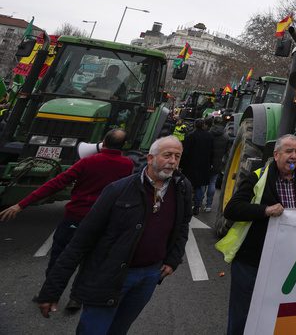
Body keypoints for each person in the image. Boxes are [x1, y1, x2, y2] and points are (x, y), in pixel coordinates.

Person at [34, 136, 191, 334]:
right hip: (110, 276)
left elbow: (183, 224)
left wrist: (173, 259)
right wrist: (52, 291)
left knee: (119, 330)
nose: (173, 161)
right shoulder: (118, 190)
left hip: (149, 276)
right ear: (150, 158)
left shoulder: (182, 189)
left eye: (177, 156)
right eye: (167, 155)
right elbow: (81, 241)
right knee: (94, 330)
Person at [1, 128, 134, 311]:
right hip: (103, 221)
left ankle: (48, 294)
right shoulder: (126, 165)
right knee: (89, 261)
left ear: (103, 141)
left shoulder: (87, 162)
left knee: (59, 256)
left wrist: (21, 204)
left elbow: (55, 184)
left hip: (76, 217)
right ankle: (76, 298)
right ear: (124, 145)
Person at [221, 134, 296, 335]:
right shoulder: (257, 177)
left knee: (273, 312)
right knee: (242, 313)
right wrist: (265, 211)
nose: (294, 156)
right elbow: (232, 209)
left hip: (285, 260)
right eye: (289, 151)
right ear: (276, 155)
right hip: (252, 259)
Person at [180, 117, 216, 215]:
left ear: (195, 125)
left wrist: (181, 164)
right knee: (199, 187)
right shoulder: (209, 137)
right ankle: (197, 206)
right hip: (204, 165)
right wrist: (211, 163)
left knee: (187, 185)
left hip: (190, 165)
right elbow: (212, 152)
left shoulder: (190, 136)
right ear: (204, 125)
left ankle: (184, 204)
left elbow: (185, 152)